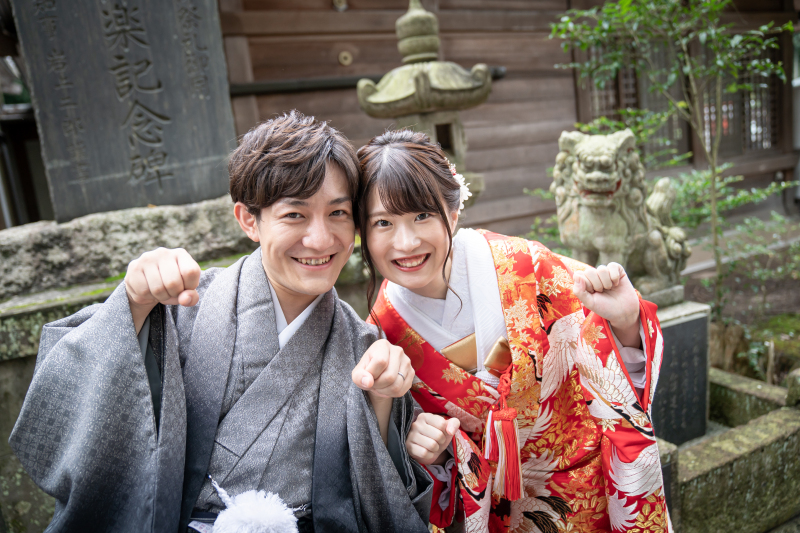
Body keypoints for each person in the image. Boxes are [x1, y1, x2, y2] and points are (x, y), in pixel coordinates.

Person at [10, 112, 432, 533]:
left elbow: (379, 494)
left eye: (338, 213)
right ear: (249, 219)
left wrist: (381, 400)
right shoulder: (179, 306)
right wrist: (133, 304)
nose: (321, 240)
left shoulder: (362, 344)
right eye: (294, 215)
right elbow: (71, 404)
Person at [356, 130, 671, 533]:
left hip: (585, 497)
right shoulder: (381, 337)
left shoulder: (527, 266)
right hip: (494, 517)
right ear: (363, 232)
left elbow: (609, 370)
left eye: (422, 215)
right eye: (383, 222)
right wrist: (433, 452)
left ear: (452, 214)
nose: (406, 241)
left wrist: (626, 323)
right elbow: (397, 465)